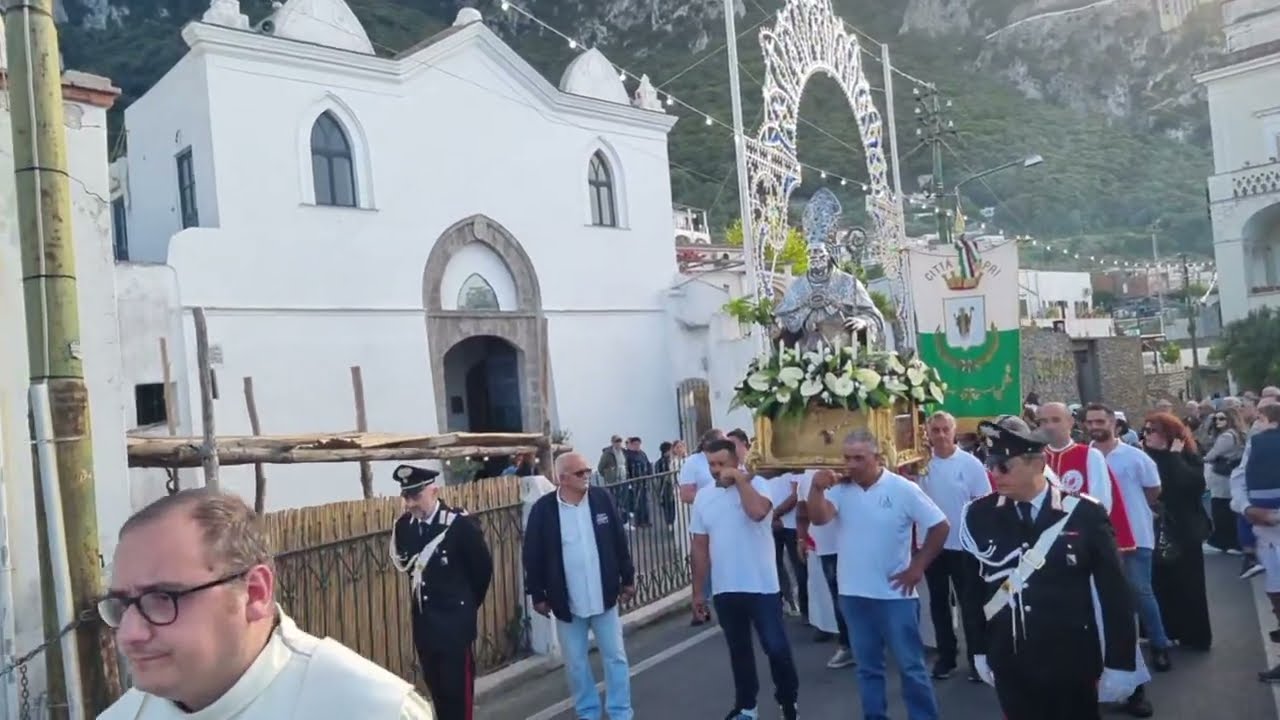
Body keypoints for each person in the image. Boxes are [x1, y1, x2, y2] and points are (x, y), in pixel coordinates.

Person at [97, 488, 435, 719]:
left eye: (161, 599)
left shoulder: (371, 710)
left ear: (255, 593)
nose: (128, 635)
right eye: (122, 604)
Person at [961, 419, 1138, 720]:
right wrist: (978, 648)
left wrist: (1121, 662)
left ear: (1036, 464)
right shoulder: (979, 514)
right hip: (1010, 657)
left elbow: (1115, 592)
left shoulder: (1084, 513)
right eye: (991, 465)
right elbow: (971, 588)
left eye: (1004, 466)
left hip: (1070, 658)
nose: (995, 474)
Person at [807, 430, 947, 720]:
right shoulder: (840, 489)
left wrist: (917, 566)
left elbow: (940, 526)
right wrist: (816, 489)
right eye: (847, 458)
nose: (852, 464)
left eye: (859, 458)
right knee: (868, 668)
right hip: (854, 594)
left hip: (895, 596)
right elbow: (819, 518)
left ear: (877, 457)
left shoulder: (902, 489)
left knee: (911, 666)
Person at [690, 439, 799, 720]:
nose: (716, 470)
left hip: (761, 587)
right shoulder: (703, 498)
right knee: (739, 651)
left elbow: (758, 513)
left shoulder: (759, 485)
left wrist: (739, 480)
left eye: (721, 463)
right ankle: (746, 706)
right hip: (726, 588)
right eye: (711, 464)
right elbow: (700, 548)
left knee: (775, 647)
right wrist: (698, 593)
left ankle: (788, 701)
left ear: (735, 461)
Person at [523, 452, 636, 720]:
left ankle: (620, 712)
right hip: (568, 601)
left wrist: (628, 578)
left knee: (616, 657)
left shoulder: (601, 499)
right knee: (576, 664)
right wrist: (537, 593)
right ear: (561, 479)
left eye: (587, 471)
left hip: (603, 595)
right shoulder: (544, 510)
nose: (586, 476)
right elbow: (532, 554)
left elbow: (619, 541)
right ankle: (588, 713)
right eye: (579, 473)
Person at [390, 465, 493, 720]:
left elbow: (481, 572)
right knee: (438, 697)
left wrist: (464, 609)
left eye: (416, 495)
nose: (411, 503)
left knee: (458, 701)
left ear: (433, 491)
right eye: (407, 497)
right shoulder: (404, 528)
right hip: (426, 628)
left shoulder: (459, 525)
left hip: (455, 629)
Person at [1085, 403, 1167, 715]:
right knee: (1108, 606)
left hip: (1135, 535)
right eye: (1090, 421)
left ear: (1114, 424)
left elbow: (1154, 489)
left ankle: (1158, 645)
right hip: (1098, 544)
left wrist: (1130, 513)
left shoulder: (1134, 456)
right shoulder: (1084, 456)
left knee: (1141, 593)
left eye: (1100, 420)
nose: (1095, 425)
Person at [917, 411, 990, 682]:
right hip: (932, 546)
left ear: (954, 431)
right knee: (939, 604)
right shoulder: (921, 465)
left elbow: (982, 503)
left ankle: (977, 660)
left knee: (970, 605)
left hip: (964, 547)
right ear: (928, 433)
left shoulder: (970, 464)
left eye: (945, 429)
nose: (940, 435)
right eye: (934, 430)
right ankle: (946, 656)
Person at [1143, 413, 1213, 652]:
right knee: (1160, 582)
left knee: (1189, 583)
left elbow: (1193, 485)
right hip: (1155, 527)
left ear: (1169, 435)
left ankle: (1194, 634)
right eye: (1146, 430)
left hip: (1184, 528)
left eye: (1152, 431)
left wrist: (1173, 456)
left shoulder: (1187, 457)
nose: (1147, 435)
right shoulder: (1144, 457)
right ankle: (1166, 630)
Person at [1037, 402, 1137, 551]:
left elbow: (1101, 502)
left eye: (1056, 420)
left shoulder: (1090, 455)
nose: (1049, 426)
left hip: (1082, 542)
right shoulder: (1035, 458)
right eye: (1043, 422)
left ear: (1070, 422)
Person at [796, 469, 855, 668]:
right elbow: (802, 511)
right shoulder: (807, 476)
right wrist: (802, 538)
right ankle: (847, 645)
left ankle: (874, 644)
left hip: (855, 546)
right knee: (839, 598)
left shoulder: (849, 471)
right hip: (827, 548)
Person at [680, 428, 726, 625]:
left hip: (726, 519)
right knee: (703, 562)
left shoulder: (728, 459)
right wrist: (711, 498)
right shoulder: (693, 463)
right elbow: (685, 494)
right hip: (706, 520)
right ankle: (701, 604)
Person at [1204, 407, 1246, 553]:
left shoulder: (1226, 437)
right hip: (1229, 474)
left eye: (1222, 418)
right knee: (1227, 508)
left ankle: (1224, 541)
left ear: (1230, 420)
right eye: (1215, 419)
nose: (1217, 422)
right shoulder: (1237, 434)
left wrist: (1200, 459)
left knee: (1221, 508)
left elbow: (1212, 455)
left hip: (1222, 475)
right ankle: (1230, 541)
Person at [769, 470, 806, 617]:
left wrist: (775, 514)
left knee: (799, 567)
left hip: (792, 524)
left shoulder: (794, 468)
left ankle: (804, 607)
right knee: (774, 565)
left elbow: (795, 495)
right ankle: (786, 601)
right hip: (772, 522)